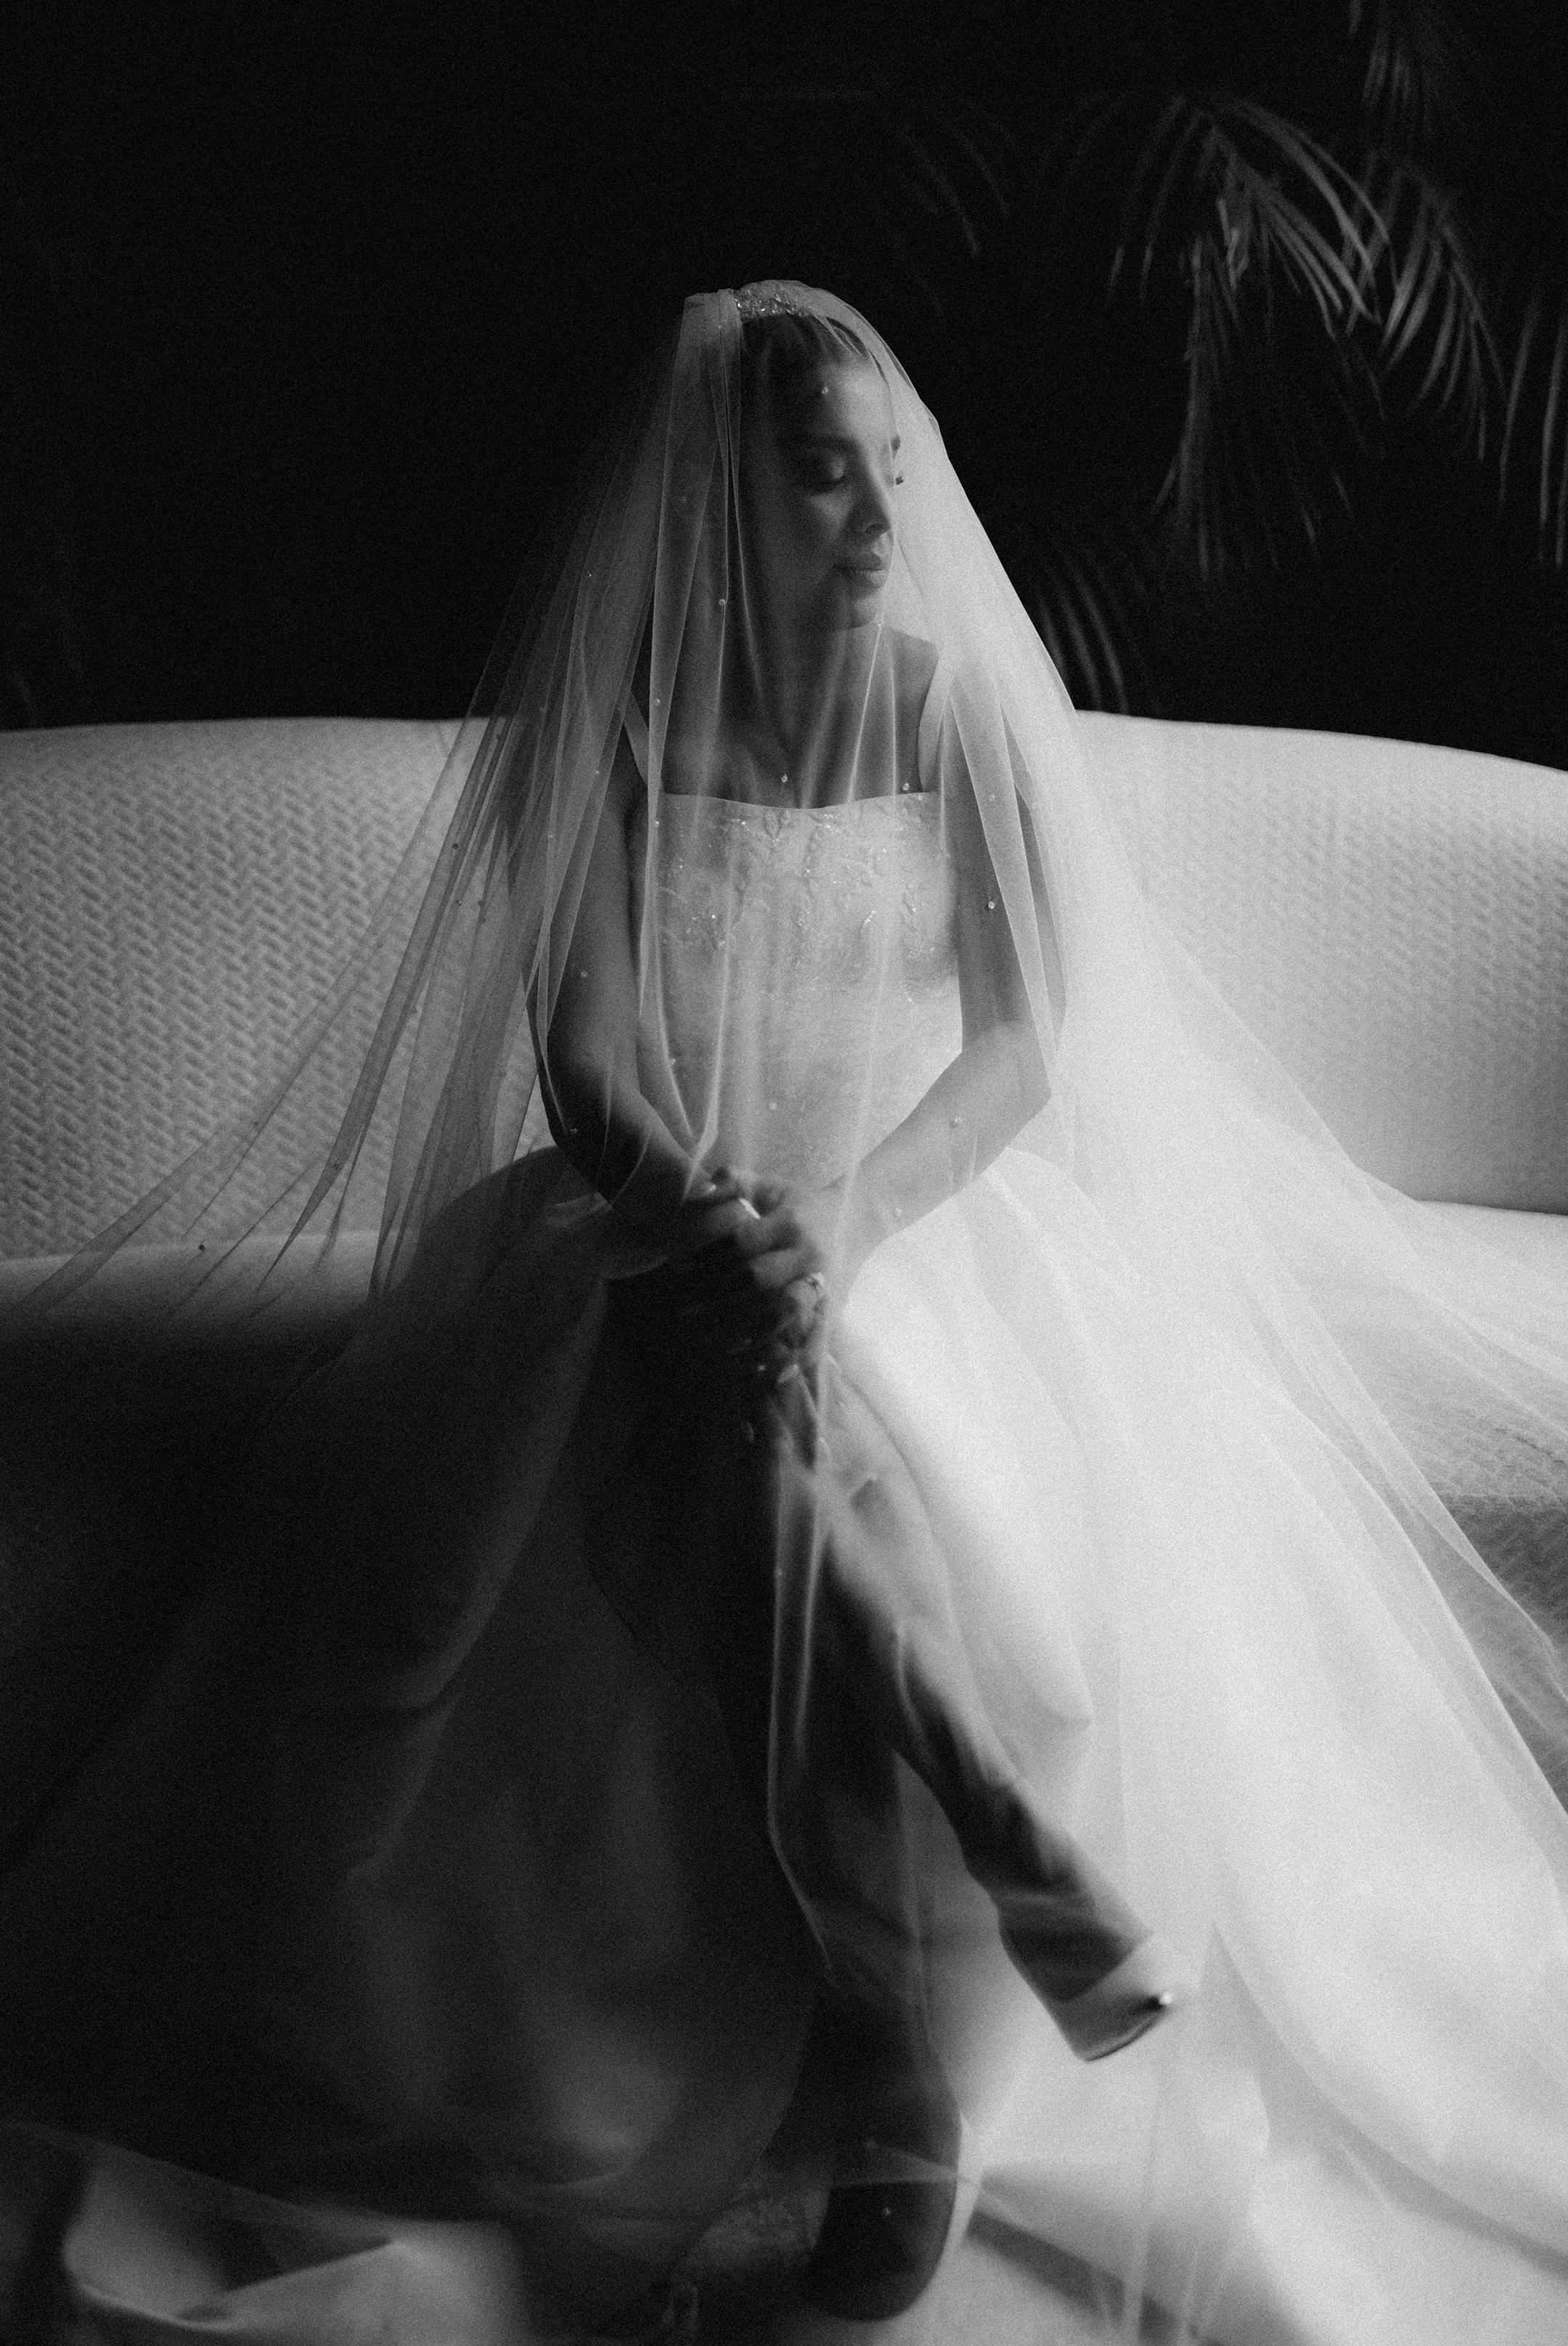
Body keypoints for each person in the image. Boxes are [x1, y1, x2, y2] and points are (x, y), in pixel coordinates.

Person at [2, 282, 1568, 2345]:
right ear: (721, 501)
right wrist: (707, 1222)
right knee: (735, 1391)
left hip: (907, 1224)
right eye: (822, 478)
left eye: (888, 474)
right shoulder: (629, 713)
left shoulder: (952, 712)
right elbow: (581, 1057)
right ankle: (940, 1988)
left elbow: (1022, 1046)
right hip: (647, 1226)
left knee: (788, 1399)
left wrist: (838, 1217)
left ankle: (925, 2011)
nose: (870, 520)